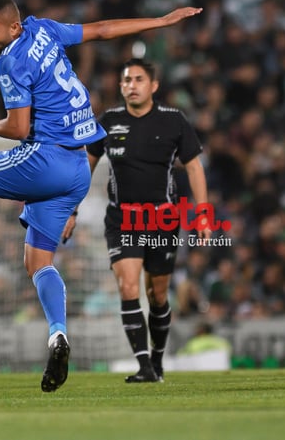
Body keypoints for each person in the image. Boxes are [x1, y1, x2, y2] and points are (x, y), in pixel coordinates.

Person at [0, 0, 201, 392]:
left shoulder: (11, 60)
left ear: (13, 27)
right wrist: (161, 21)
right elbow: (100, 30)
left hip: (45, 160)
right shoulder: (43, 29)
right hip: (78, 169)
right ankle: (58, 335)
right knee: (37, 261)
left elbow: (16, 129)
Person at [62, 58, 211, 383]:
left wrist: (202, 215)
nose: (131, 85)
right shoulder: (109, 121)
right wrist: (70, 210)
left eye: (138, 79)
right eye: (126, 80)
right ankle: (143, 364)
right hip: (122, 220)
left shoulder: (174, 121)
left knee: (157, 296)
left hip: (163, 220)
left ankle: (157, 360)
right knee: (128, 286)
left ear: (153, 86)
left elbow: (195, 168)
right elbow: (84, 167)